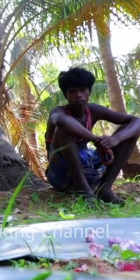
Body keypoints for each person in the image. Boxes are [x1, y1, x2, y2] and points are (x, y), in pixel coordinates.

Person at [44, 67, 140, 204]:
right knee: (64, 129)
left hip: (90, 170)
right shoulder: (58, 112)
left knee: (129, 131)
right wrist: (96, 140)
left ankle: (104, 189)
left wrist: (115, 139)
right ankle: (86, 192)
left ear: (89, 92)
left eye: (83, 90)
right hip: (61, 175)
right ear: (66, 95)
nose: (78, 95)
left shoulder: (93, 110)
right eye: (72, 92)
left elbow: (137, 121)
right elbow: (61, 121)